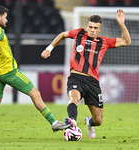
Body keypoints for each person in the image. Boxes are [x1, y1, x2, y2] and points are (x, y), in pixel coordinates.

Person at [0, 5, 70, 142]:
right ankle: (54, 123)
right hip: (9, 71)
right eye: (5, 17)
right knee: (35, 93)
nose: (6, 20)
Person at [41, 9, 131, 139]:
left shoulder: (104, 42)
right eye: (90, 27)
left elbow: (126, 41)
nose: (92, 30)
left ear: (99, 29)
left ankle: (89, 123)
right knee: (74, 99)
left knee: (98, 120)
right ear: (87, 26)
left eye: (95, 28)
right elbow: (62, 34)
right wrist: (49, 48)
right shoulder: (79, 33)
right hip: (76, 77)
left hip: (93, 82)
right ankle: (72, 122)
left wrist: (121, 24)